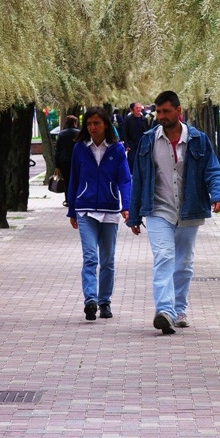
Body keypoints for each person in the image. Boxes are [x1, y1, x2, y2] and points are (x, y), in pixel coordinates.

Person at [128, 90, 220, 335]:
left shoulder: (198, 139)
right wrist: (134, 215)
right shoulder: (148, 140)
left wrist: (218, 195)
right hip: (158, 209)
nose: (161, 116)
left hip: (190, 208)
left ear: (178, 111)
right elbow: (139, 178)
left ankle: (179, 309)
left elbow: (213, 170)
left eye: (166, 112)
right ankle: (164, 311)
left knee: (183, 263)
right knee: (164, 256)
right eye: (158, 112)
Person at [67, 107, 131, 321]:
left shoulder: (117, 149)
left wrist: (126, 205)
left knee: (108, 260)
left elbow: (124, 179)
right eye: (89, 124)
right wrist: (72, 211)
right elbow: (73, 179)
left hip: (110, 210)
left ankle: (105, 302)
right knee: (90, 258)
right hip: (85, 209)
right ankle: (90, 302)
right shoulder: (79, 148)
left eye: (97, 123)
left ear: (106, 125)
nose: (92, 128)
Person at [54, 115, 80, 207]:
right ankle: (77, 198)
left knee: (67, 181)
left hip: (64, 161)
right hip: (77, 161)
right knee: (77, 180)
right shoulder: (79, 133)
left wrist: (57, 164)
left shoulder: (62, 134)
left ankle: (68, 200)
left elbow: (57, 149)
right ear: (74, 123)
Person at [123, 102, 150, 173]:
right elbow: (124, 132)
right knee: (131, 161)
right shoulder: (128, 119)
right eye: (136, 108)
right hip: (131, 144)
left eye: (139, 108)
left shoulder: (144, 119)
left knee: (141, 161)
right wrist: (126, 145)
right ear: (133, 109)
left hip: (141, 144)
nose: (138, 109)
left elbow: (147, 132)